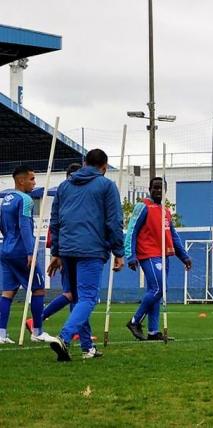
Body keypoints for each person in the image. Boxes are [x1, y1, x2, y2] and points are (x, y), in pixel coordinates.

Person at [47, 149, 125, 361]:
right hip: (91, 249)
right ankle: (63, 337)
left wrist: (56, 252)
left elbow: (55, 221)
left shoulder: (64, 186)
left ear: (84, 163)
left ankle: (87, 346)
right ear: (104, 167)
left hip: (67, 249)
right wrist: (119, 251)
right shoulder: (107, 186)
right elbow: (114, 220)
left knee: (77, 297)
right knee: (88, 298)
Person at [125, 177, 192, 341]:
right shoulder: (143, 207)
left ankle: (153, 331)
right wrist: (130, 255)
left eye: (160, 188)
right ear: (149, 188)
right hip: (148, 254)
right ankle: (135, 321)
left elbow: (173, 237)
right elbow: (131, 231)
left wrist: (184, 256)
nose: (157, 191)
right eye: (154, 188)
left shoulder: (166, 212)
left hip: (164, 255)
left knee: (156, 292)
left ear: (165, 191)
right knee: (158, 289)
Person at [0, 166, 57, 344]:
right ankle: (38, 332)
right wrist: (30, 252)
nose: (34, 183)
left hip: (6, 249)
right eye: (32, 179)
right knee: (38, 289)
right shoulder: (25, 200)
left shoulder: (6, 199)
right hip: (20, 251)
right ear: (21, 180)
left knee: (7, 292)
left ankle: (1, 334)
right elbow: (25, 227)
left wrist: (9, 238)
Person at [31, 163, 83, 331]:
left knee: (74, 293)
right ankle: (38, 320)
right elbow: (58, 224)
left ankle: (74, 328)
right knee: (72, 293)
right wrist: (57, 252)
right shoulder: (67, 196)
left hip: (65, 248)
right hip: (66, 250)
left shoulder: (66, 195)